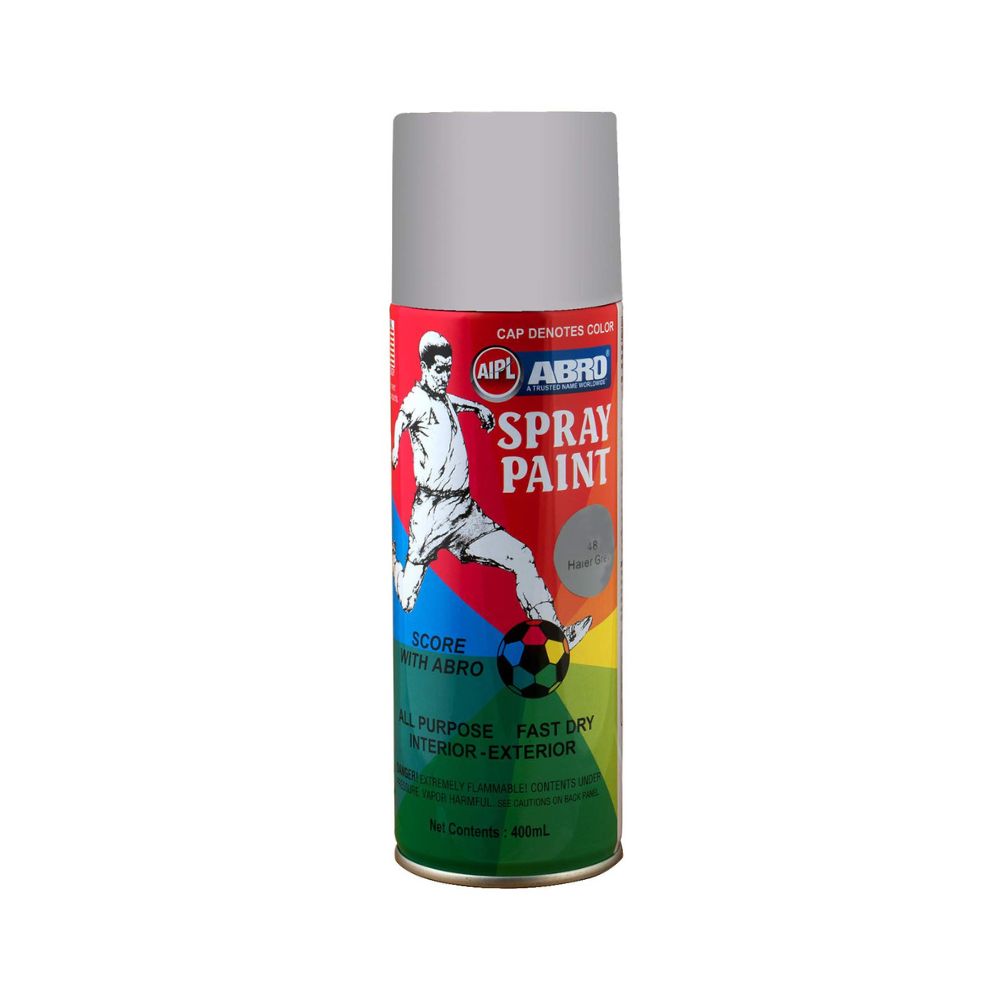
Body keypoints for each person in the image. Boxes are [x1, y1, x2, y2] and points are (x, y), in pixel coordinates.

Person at [392, 331, 592, 649]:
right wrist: (393, 450)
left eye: (448, 369)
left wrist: (478, 408)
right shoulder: (416, 401)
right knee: (406, 602)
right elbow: (401, 418)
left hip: (465, 511)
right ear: (424, 367)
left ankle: (557, 632)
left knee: (521, 556)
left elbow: (454, 401)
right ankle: (397, 565)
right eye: (439, 369)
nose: (444, 376)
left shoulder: (444, 397)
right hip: (431, 514)